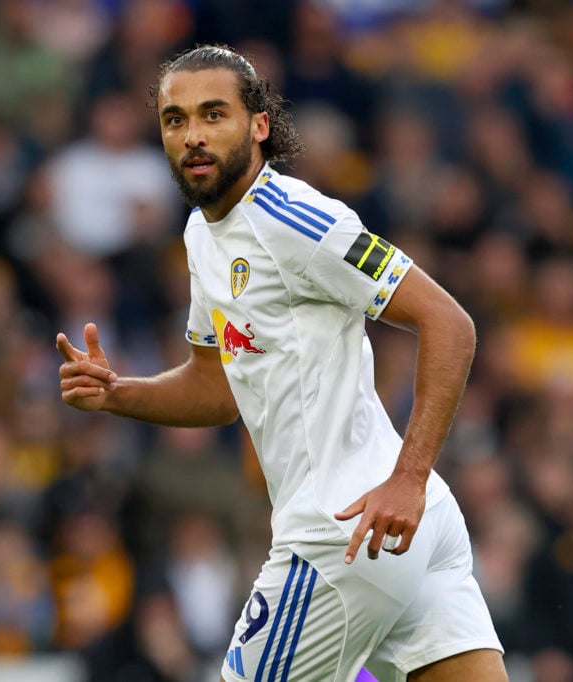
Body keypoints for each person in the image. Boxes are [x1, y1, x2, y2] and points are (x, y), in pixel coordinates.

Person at [57, 45, 507, 682]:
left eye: (214, 115)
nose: (193, 136)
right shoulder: (201, 235)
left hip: (346, 527)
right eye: (175, 119)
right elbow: (218, 385)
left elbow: (449, 324)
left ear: (259, 124)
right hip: (398, 527)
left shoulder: (296, 219)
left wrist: (409, 475)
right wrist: (118, 393)